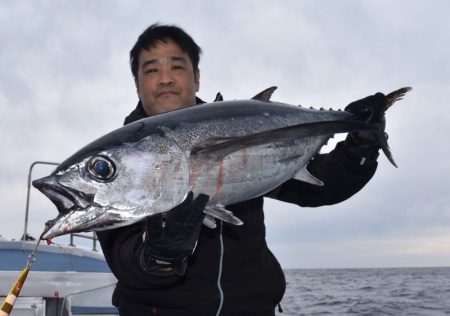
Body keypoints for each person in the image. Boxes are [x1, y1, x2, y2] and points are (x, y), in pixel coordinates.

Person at [97, 23, 387, 316]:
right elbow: (125, 259)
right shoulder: (115, 162)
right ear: (137, 84)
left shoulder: (240, 127)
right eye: (150, 70)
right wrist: (158, 256)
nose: (165, 79)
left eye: (177, 66)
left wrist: (359, 147)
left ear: (197, 78)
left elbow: (323, 186)